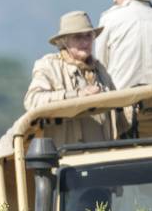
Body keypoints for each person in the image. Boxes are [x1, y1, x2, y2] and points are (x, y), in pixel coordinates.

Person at [24, 11, 117, 145]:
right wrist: (77, 95)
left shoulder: (100, 70)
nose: (85, 42)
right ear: (64, 41)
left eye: (89, 36)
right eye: (78, 37)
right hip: (67, 160)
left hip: (103, 156)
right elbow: (32, 101)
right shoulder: (49, 66)